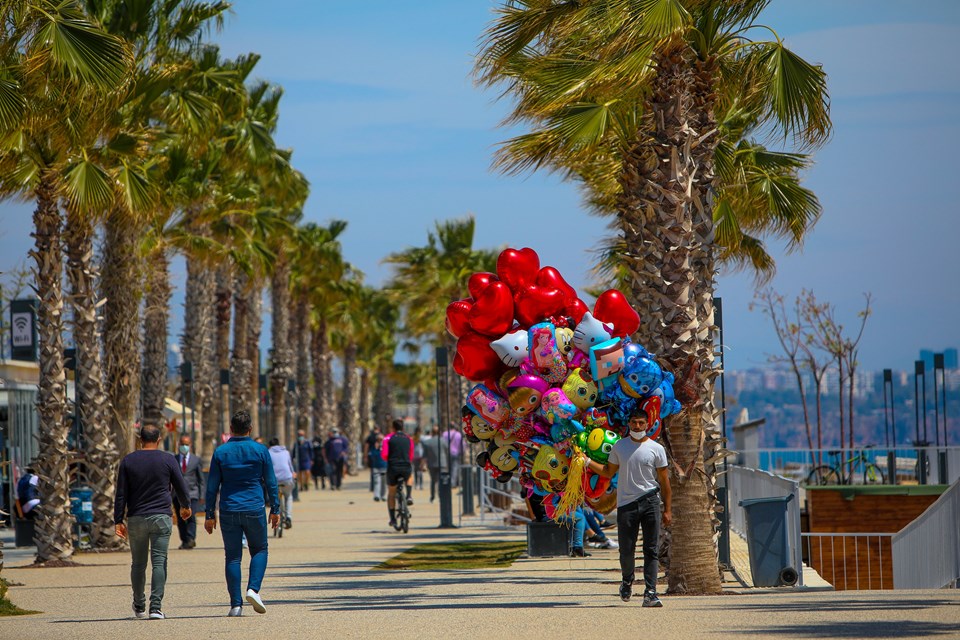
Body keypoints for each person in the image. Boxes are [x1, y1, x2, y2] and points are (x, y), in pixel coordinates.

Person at [583, 411, 671, 607]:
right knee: (626, 550)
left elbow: (664, 481)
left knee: (651, 549)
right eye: (634, 423)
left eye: (641, 423)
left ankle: (650, 592)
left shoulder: (656, 448)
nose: (637, 426)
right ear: (629, 423)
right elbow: (608, 472)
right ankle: (627, 580)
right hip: (626, 505)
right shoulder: (619, 446)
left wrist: (667, 510)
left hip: (650, 502)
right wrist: (587, 462)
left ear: (648, 424)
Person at [205, 410, 280, 617]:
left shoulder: (220, 452)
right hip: (254, 507)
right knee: (260, 549)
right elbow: (271, 482)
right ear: (250, 429)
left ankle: (235, 605)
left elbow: (212, 486)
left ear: (231, 429)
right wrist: (275, 509)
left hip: (229, 508)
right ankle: (253, 590)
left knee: (232, 557)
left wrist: (210, 514)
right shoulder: (260, 450)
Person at [114, 424, 192, 620]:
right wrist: (185, 506)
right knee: (159, 562)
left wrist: (118, 520)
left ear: (140, 440)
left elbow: (121, 493)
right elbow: (181, 486)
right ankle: (155, 607)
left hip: (136, 518)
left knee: (138, 564)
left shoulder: (128, 461)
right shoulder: (168, 459)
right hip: (161, 517)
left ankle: (139, 605)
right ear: (159, 440)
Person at [174, 434, 205, 550]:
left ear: (190, 445)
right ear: (178, 445)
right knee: (181, 518)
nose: (184, 446)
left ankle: (191, 538)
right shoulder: (174, 459)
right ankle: (184, 540)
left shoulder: (196, 460)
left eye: (186, 444)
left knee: (191, 517)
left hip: (192, 493)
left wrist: (202, 495)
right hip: (177, 494)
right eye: (182, 444)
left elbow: (201, 479)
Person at [382, 418, 414, 530]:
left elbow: (384, 454)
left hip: (393, 467)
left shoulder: (387, 438)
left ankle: (393, 518)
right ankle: (409, 495)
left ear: (393, 428)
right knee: (410, 476)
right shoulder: (408, 438)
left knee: (391, 493)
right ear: (403, 427)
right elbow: (411, 455)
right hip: (406, 466)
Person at [268, 438, 295, 528]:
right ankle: (288, 517)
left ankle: (275, 511)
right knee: (288, 496)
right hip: (287, 478)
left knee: (273, 496)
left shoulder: (268, 452)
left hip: (274, 480)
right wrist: (293, 474)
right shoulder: (286, 452)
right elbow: (290, 466)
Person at [421, 426, 441, 502]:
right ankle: (440, 495)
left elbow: (424, 455)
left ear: (432, 433)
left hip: (431, 464)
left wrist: (422, 465)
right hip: (441, 464)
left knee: (433, 480)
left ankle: (432, 496)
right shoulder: (442, 441)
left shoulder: (427, 443)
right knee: (439, 480)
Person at [371, 433, 387, 502]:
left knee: (384, 482)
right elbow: (372, 455)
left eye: (381, 440)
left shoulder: (386, 447)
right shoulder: (374, 447)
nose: (380, 441)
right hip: (376, 467)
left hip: (384, 466)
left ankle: (383, 496)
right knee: (376, 481)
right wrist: (376, 448)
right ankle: (376, 496)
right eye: (378, 440)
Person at [363, 426, 381, 492]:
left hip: (372, 455)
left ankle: (372, 487)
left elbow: (366, 446)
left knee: (373, 472)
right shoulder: (382, 436)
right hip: (381, 456)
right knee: (382, 472)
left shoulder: (370, 437)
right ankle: (380, 487)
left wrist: (365, 456)